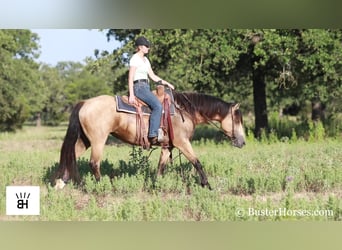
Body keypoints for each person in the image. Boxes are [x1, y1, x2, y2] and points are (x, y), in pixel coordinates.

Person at [128, 36, 175, 145]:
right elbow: (130, 77)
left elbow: (153, 76)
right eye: (146, 46)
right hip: (138, 87)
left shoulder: (146, 60)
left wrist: (167, 83)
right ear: (140, 47)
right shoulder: (135, 58)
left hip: (146, 86)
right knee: (158, 106)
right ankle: (153, 134)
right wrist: (131, 94)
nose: (148, 48)